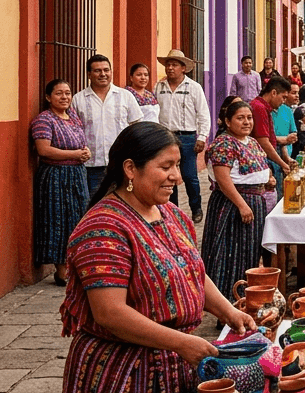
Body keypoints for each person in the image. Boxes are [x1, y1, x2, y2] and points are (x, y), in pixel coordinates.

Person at [56, 122, 255, 393]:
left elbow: (192, 271)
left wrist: (228, 312)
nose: (176, 177)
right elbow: (110, 312)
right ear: (130, 169)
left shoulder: (171, 215)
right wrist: (181, 343)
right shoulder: (103, 227)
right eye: (166, 167)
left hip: (172, 367)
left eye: (178, 166)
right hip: (123, 378)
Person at [203, 100, 273, 299]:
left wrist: (267, 179)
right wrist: (241, 205)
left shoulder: (251, 142)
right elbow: (223, 179)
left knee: (249, 255)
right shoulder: (224, 143)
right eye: (240, 118)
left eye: (249, 118)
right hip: (232, 206)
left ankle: (246, 299)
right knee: (230, 255)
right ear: (227, 121)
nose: (246, 122)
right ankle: (228, 302)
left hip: (255, 203)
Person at [31, 79, 90, 286]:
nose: (64, 97)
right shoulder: (44, 120)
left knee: (78, 217)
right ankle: (61, 270)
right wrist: (75, 153)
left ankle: (77, 265)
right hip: (55, 176)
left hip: (76, 174)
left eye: (67, 93)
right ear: (48, 97)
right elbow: (43, 150)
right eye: (59, 93)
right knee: (58, 219)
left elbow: (81, 141)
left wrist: (85, 152)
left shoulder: (73, 117)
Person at [71, 54, 143, 196]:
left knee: (123, 204)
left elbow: (137, 126)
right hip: (91, 166)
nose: (103, 74)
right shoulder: (78, 100)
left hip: (121, 164)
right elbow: (73, 130)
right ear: (89, 74)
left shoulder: (125, 96)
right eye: (98, 71)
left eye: (106, 70)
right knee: (93, 205)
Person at [153, 50, 212, 221]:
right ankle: (173, 211)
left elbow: (203, 114)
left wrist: (202, 137)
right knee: (168, 176)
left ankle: (196, 208)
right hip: (165, 138)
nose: (170, 68)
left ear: (183, 68)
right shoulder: (159, 87)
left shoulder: (194, 87)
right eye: (168, 65)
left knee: (189, 175)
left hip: (187, 137)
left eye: (174, 65)